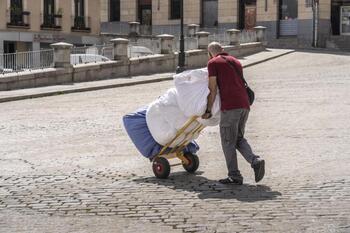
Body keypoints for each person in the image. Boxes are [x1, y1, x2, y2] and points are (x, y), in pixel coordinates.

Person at [202, 42, 265, 185]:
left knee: (227, 141)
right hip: (244, 105)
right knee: (238, 138)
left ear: (209, 53)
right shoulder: (235, 61)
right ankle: (256, 161)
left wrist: (208, 110)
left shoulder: (213, 63)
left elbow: (212, 89)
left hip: (230, 107)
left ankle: (234, 175)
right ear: (223, 50)